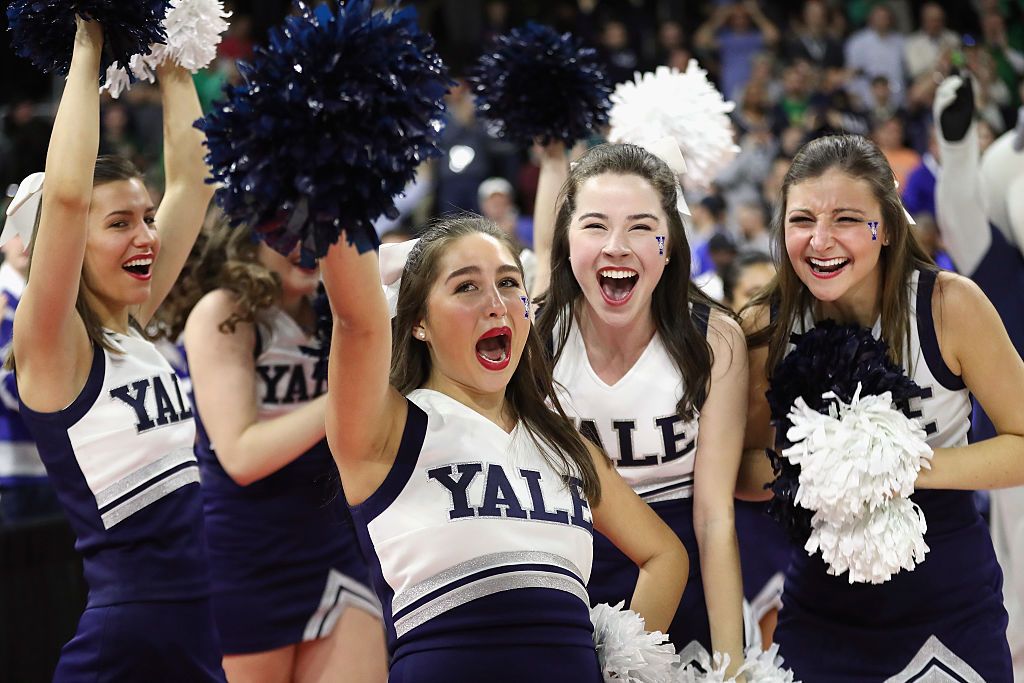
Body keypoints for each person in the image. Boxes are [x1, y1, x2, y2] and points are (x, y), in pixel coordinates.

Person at [319, 215, 688, 681]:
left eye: (509, 283)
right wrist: (334, 196)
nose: (495, 304)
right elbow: (357, 322)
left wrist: (622, 663)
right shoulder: (391, 430)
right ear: (417, 324)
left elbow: (665, 556)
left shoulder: (566, 448)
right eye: (466, 287)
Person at [739, 133, 1024, 681]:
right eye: (802, 220)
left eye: (846, 218)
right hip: (822, 603)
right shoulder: (763, 328)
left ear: (887, 227)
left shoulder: (949, 306)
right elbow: (741, 468)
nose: (821, 240)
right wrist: (812, 473)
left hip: (948, 593)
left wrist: (894, 467)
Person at [8, 19, 224, 681]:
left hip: (200, 624)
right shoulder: (53, 347)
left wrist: (177, 50)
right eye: (121, 223)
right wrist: (89, 37)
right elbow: (67, 197)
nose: (147, 237)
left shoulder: (130, 323)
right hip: (130, 637)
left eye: (146, 219)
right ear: (63, 244)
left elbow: (195, 182)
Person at [532, 142, 749, 673]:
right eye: (595, 225)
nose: (616, 246)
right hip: (566, 598)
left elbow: (714, 517)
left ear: (669, 244)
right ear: (566, 239)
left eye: (640, 226)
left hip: (686, 597)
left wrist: (733, 666)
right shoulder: (533, 337)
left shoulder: (714, 340)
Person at [173, 217, 387, 682]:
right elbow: (241, 456)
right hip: (247, 557)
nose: (308, 245)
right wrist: (351, 393)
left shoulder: (339, 312)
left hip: (336, 548)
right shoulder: (224, 312)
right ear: (251, 231)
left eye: (321, 229)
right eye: (290, 230)